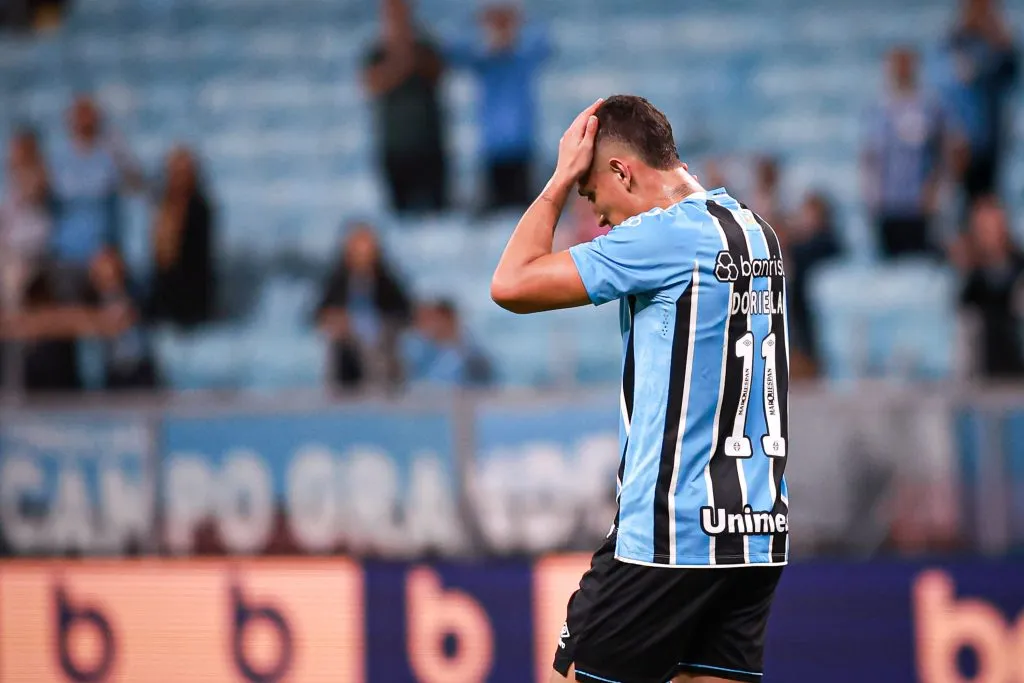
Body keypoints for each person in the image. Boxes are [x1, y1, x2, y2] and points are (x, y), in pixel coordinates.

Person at [492, 95, 789, 683]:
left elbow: (511, 283)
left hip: (669, 532)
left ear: (621, 171)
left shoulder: (662, 237)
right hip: (757, 533)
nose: (599, 219)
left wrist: (557, 180)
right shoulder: (759, 234)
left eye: (593, 196)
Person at [448, 2, 550, 212]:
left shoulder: (523, 56)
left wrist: (520, 20)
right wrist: (478, 22)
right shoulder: (482, 59)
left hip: (522, 148)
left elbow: (546, 41)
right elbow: (450, 51)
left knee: (526, 213)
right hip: (491, 151)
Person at [362, 0, 449, 214]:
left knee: (436, 214)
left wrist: (406, 51)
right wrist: (401, 59)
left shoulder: (426, 48)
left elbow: (438, 74)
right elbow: (373, 84)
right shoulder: (376, 52)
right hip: (394, 148)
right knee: (397, 214)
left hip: (429, 147)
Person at [863, 47, 946, 259]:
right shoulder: (878, 107)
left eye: (905, 66)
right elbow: (870, 156)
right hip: (888, 205)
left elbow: (941, 151)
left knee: (920, 263)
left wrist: (935, 190)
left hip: (919, 204)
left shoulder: (929, 105)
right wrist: (871, 196)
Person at [938, 0, 1019, 204]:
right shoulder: (956, 42)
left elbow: (1011, 76)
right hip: (963, 137)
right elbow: (946, 89)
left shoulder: (998, 46)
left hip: (990, 136)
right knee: (961, 200)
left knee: (989, 196)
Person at [315, 222, 412, 389]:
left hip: (381, 341)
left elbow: (404, 314)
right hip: (346, 343)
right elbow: (319, 314)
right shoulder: (337, 282)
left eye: (366, 247)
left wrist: (380, 323)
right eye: (357, 247)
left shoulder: (387, 282)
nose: (362, 253)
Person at [148, 146, 216, 328]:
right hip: (164, 289)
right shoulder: (162, 204)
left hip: (190, 291)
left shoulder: (200, 208)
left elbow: (187, 255)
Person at [958, 196, 1024, 377]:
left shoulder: (1020, 270)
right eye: (982, 228)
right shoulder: (972, 283)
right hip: (987, 381)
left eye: (992, 226)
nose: (988, 234)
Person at [785, 191, 843, 378]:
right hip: (799, 301)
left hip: (809, 303)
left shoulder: (826, 240)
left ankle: (810, 360)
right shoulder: (804, 242)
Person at [0, 128, 54, 313]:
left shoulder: (40, 176)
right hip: (11, 251)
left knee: (12, 275)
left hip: (33, 253)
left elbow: (34, 191)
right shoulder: (10, 187)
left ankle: (15, 329)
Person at [401, 299, 492, 386]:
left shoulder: (473, 358)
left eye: (429, 318)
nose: (421, 326)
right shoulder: (422, 354)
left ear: (448, 318)